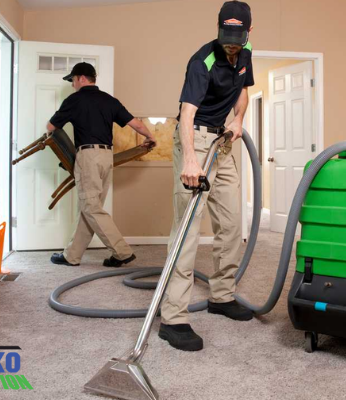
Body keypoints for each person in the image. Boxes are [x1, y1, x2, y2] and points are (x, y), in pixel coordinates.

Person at [158, 0, 255, 352]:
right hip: (195, 139)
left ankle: (222, 295)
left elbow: (243, 92)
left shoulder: (245, 55)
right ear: (218, 29)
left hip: (222, 141)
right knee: (187, 229)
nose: (231, 45)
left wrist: (238, 119)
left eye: (237, 39)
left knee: (231, 224)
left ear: (248, 33)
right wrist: (190, 160)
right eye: (226, 37)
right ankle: (173, 318)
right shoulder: (203, 61)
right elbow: (186, 113)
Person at [48, 62, 156, 268]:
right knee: (90, 207)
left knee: (91, 207)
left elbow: (51, 127)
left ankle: (122, 252)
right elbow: (135, 123)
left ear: (81, 78)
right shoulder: (109, 100)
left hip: (88, 156)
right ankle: (72, 255)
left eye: (73, 80)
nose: (72, 85)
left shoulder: (74, 100)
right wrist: (150, 137)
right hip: (107, 157)